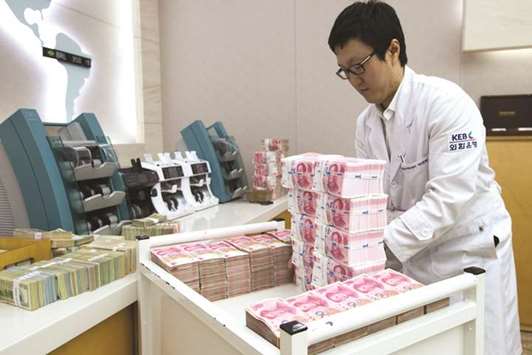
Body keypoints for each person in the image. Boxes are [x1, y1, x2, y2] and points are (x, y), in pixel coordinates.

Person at [328, 1, 521, 354]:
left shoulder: (446, 103)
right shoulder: (366, 125)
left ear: (393, 49)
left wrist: (374, 247)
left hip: (468, 256)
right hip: (413, 257)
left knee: (482, 346)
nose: (354, 81)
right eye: (345, 71)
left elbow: (448, 199)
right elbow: (373, 201)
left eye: (359, 66)